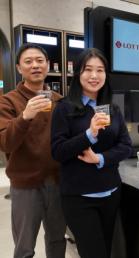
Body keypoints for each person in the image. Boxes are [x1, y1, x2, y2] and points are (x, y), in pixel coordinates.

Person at [51, 48, 132, 258]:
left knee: (105, 250)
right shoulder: (64, 108)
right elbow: (58, 151)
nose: (94, 76)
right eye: (88, 70)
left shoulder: (112, 109)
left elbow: (126, 145)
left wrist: (100, 158)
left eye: (100, 70)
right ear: (78, 73)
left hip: (110, 192)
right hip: (79, 197)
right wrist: (89, 134)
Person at [0, 43, 66, 258]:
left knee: (57, 239)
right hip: (26, 185)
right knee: (24, 246)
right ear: (19, 68)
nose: (35, 65)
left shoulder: (59, 101)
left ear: (48, 65)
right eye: (28, 62)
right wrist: (25, 116)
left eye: (40, 61)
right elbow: (4, 143)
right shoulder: (7, 101)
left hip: (58, 182)